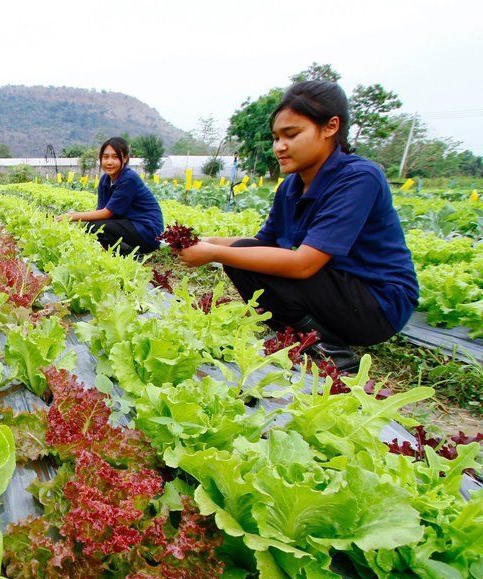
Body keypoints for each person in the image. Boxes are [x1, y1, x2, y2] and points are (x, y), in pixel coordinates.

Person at [174, 81, 418, 371]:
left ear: (330, 127)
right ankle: (301, 338)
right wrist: (210, 241)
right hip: (336, 289)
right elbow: (262, 243)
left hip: (377, 305)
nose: (279, 147)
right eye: (276, 137)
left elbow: (304, 264)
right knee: (243, 256)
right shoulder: (291, 186)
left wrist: (215, 253)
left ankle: (328, 351)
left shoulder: (358, 178)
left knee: (241, 258)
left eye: (291, 135)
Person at [58, 137, 163, 256]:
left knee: (95, 227)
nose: (109, 162)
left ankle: (131, 254)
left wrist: (70, 216)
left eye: (115, 157)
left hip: (148, 232)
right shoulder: (105, 180)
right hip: (131, 225)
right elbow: (100, 211)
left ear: (125, 159)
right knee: (92, 227)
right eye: (105, 157)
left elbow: (106, 213)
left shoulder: (129, 178)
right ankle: (117, 252)